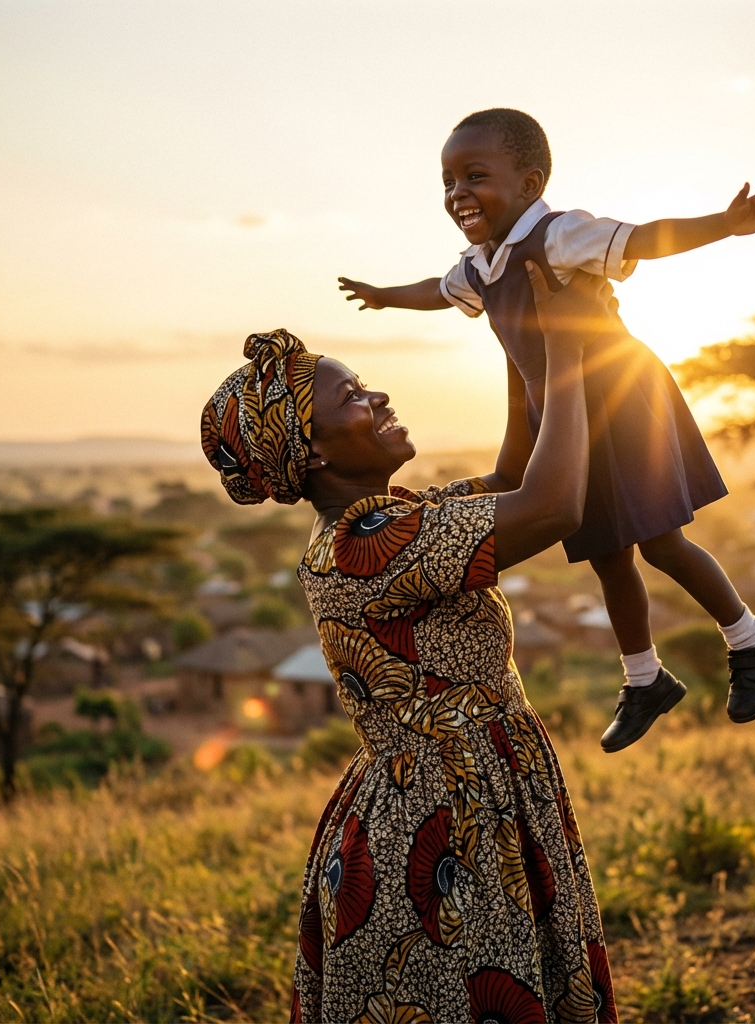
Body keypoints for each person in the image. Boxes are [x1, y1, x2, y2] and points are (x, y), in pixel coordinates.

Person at [201, 267, 620, 1022]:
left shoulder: (395, 519)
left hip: (466, 789)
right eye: (351, 398)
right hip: (444, 817)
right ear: (316, 451)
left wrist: (515, 329)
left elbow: (517, 475)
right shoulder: (372, 546)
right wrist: (568, 347)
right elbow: (553, 503)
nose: (378, 397)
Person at [338, 107, 755, 751]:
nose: (456, 192)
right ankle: (645, 679)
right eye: (447, 181)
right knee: (607, 554)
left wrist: (725, 224)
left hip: (620, 396)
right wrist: (384, 294)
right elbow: (438, 291)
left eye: (474, 175)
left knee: (661, 541)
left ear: (528, 183)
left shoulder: (558, 234)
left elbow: (642, 238)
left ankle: (752, 640)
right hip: (566, 417)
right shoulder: (481, 264)